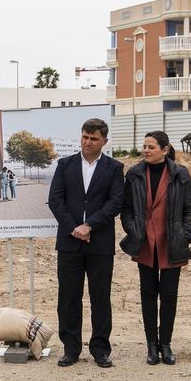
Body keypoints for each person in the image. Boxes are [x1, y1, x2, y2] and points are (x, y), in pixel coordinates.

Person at [48, 117, 126, 367]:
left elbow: (115, 202)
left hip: (99, 242)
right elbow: (56, 200)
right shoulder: (65, 165)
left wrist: (90, 225)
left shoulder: (114, 168)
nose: (88, 142)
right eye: (84, 137)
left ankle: (100, 349)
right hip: (69, 242)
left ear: (104, 140)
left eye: (93, 138)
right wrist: (74, 228)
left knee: (100, 297)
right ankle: (71, 349)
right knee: (68, 297)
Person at [119, 131, 191, 366]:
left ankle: (166, 344)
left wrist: (185, 235)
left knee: (169, 296)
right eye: (144, 146)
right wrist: (132, 229)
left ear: (165, 150)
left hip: (172, 242)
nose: (146, 150)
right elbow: (126, 208)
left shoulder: (180, 174)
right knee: (148, 295)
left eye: (151, 147)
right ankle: (151, 346)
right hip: (144, 243)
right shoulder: (134, 174)